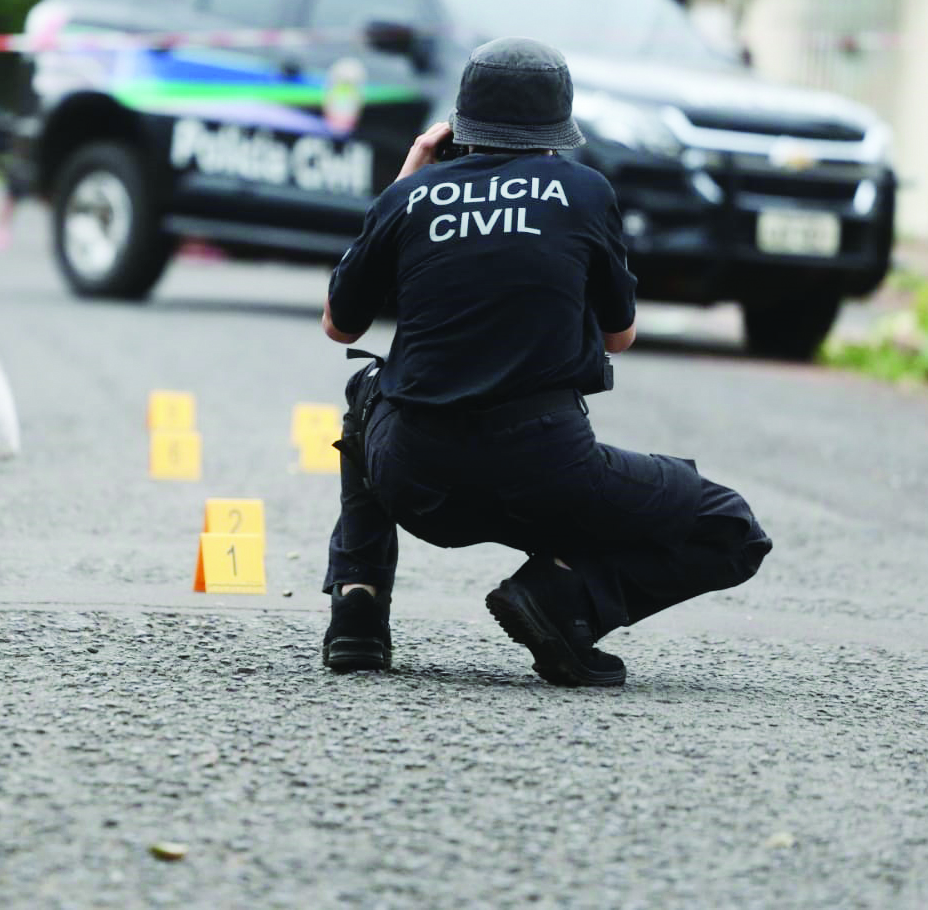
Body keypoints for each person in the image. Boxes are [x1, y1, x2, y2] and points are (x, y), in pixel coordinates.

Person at [319, 37, 771, 686]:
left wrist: (407, 183)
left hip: (414, 479)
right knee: (729, 529)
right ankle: (562, 597)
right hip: (547, 477)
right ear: (558, 129)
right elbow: (619, 337)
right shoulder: (584, 192)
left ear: (457, 126)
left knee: (367, 387)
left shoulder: (408, 197)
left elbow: (340, 325)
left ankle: (356, 610)